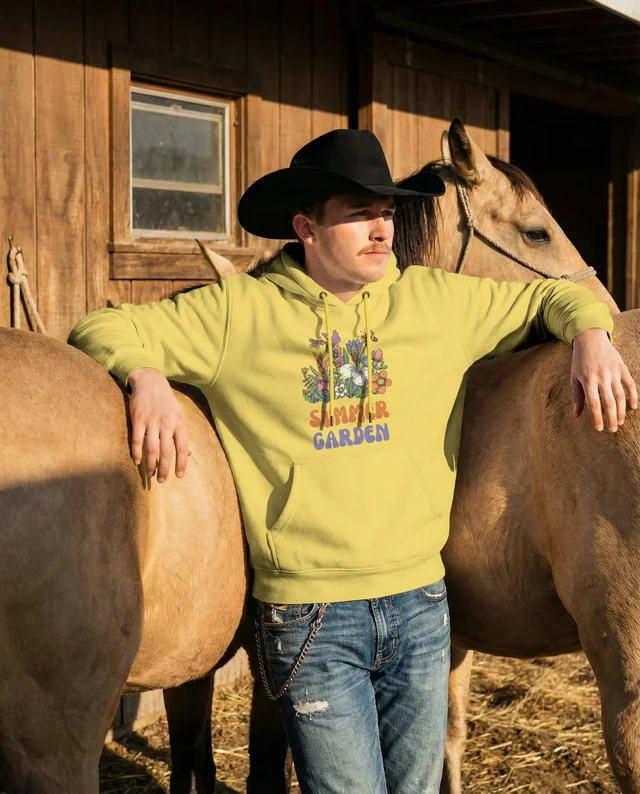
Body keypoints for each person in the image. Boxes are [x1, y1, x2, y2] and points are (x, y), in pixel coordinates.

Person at [68, 129, 636, 794]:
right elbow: (101, 328)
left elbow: (558, 295)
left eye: (387, 213)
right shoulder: (239, 312)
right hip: (311, 620)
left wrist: (592, 337)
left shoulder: (433, 301)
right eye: (359, 213)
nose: (381, 229)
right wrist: (146, 376)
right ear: (306, 227)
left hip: (422, 608)